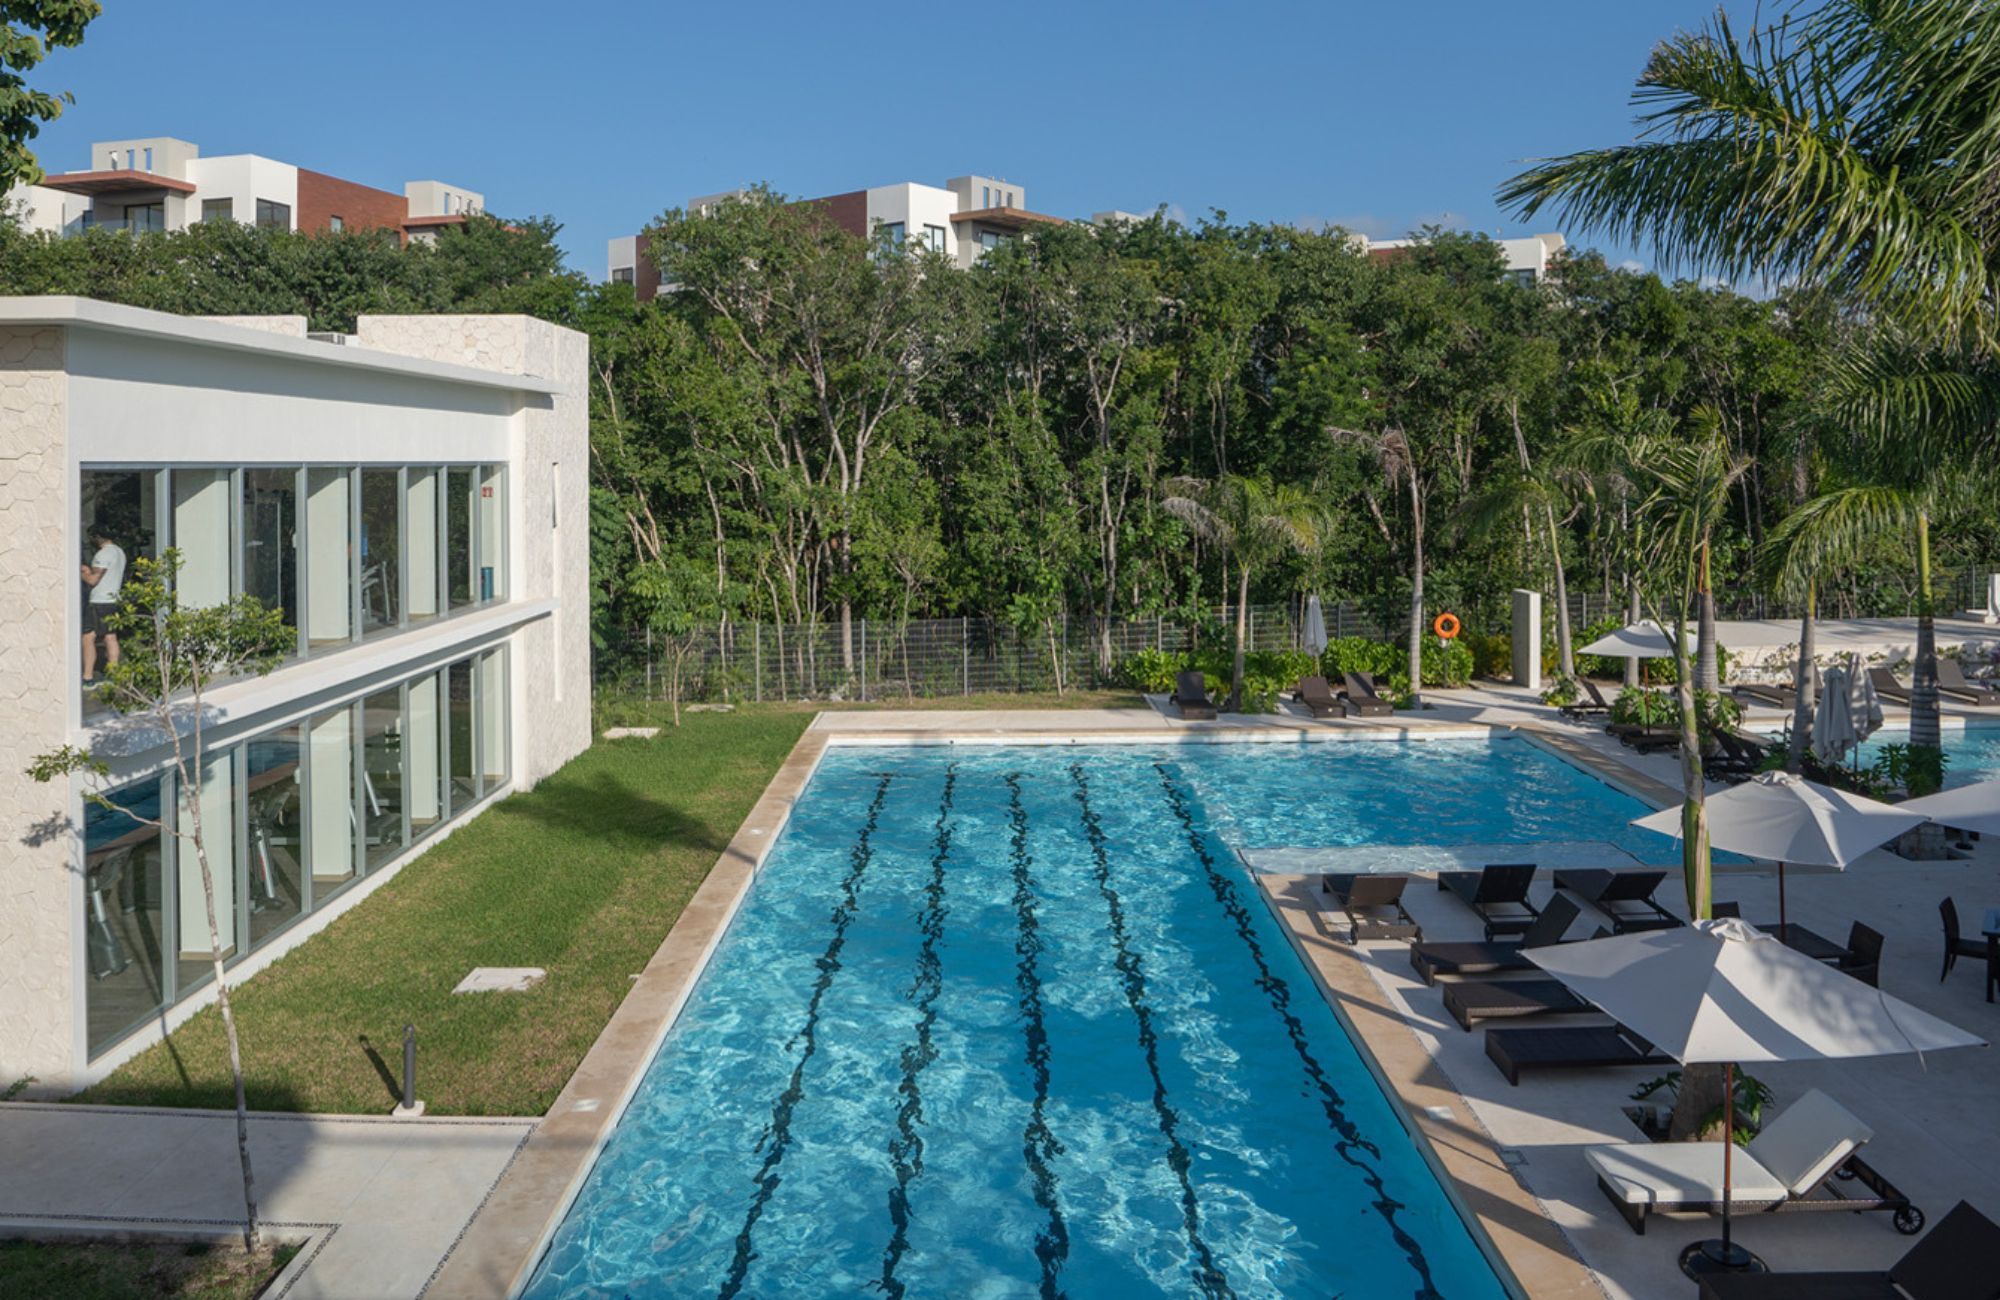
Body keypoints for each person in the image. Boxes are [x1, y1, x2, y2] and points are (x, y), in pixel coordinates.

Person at [81, 527, 127, 683]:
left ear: (98, 537)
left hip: (99, 601)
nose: (90, 541)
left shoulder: (103, 554)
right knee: (110, 637)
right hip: (113, 599)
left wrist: (80, 572)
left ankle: (88, 677)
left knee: (88, 637)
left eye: (91, 537)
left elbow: (93, 580)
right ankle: (114, 675)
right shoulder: (119, 552)